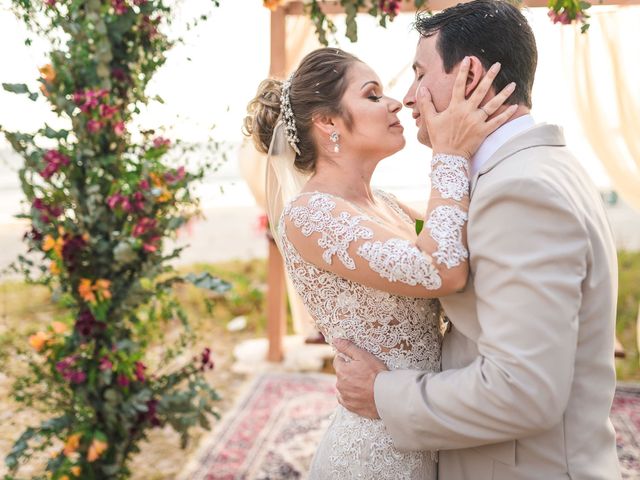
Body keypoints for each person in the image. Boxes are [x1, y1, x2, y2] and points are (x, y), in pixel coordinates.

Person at [333, 2, 622, 479]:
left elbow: (524, 390)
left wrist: (383, 393)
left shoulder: (520, 191)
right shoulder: (531, 168)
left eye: (420, 74)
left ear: (469, 75)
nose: (407, 97)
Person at [244, 46, 515, 479]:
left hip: (422, 424)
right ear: (328, 121)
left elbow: (455, 242)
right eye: (372, 95)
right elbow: (439, 269)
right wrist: (449, 153)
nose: (394, 103)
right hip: (375, 454)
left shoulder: (386, 205)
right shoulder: (310, 215)